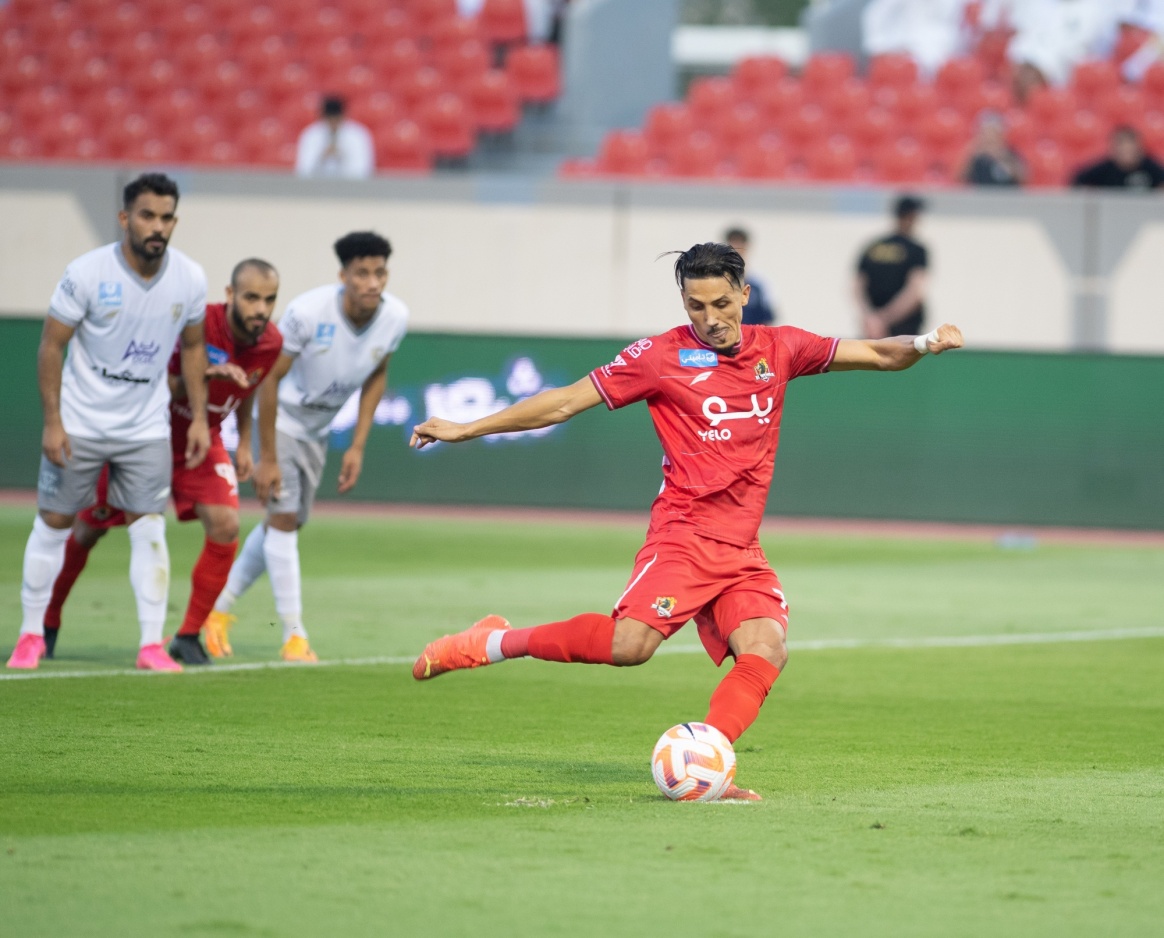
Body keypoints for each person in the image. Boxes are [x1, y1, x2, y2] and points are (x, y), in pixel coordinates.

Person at [408, 242, 964, 802]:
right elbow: (563, 403)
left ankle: (709, 763)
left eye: (721, 303)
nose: (710, 318)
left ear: (744, 295)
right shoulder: (659, 356)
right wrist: (467, 428)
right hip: (684, 536)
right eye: (696, 306)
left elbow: (880, 353)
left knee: (767, 648)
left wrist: (924, 343)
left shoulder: (782, 348)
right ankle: (492, 641)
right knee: (630, 646)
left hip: (741, 549)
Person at [6, 173, 209, 672]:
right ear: (125, 218)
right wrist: (53, 421)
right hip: (80, 423)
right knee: (54, 522)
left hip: (146, 428)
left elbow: (193, 347)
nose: (157, 226)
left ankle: (150, 645)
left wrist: (200, 418)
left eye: (166, 217)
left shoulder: (189, 278)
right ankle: (30, 635)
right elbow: (51, 345)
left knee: (149, 528)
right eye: (147, 215)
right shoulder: (87, 273)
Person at [41, 260, 285, 666]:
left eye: (269, 299)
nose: (261, 309)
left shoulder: (271, 342)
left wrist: (244, 443)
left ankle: (187, 636)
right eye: (251, 298)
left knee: (226, 525)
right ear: (229, 295)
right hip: (147, 435)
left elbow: (248, 387)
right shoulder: (198, 323)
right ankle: (47, 621)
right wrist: (205, 376)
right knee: (87, 529)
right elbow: (157, 382)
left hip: (202, 442)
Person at [205, 232, 409, 662]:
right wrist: (267, 457)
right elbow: (268, 378)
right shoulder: (308, 313)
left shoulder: (395, 317)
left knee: (286, 524)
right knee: (282, 521)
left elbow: (377, 374)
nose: (373, 282)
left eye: (380, 273)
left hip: (318, 431)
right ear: (343, 275)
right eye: (362, 273)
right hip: (280, 421)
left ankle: (216, 609)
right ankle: (294, 636)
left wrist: (357, 446)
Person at [854, 195, 930, 340]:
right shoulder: (916, 250)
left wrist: (871, 319)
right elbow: (915, 292)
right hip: (904, 326)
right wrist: (884, 319)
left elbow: (857, 287)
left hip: (874, 327)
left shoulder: (874, 246)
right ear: (910, 216)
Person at [295, 95, 375, 180]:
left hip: (350, 185)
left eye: (336, 119)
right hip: (317, 185)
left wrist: (342, 155)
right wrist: (322, 157)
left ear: (343, 116)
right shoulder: (311, 135)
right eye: (329, 119)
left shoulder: (358, 135)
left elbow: (364, 170)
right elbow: (302, 170)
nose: (333, 123)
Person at [1072, 125, 1164, 190]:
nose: (1127, 152)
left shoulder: (1151, 168)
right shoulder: (1104, 169)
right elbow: (1079, 181)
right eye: (1122, 148)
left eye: (1130, 149)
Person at [724, 227, 777, 325]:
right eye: (732, 245)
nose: (736, 249)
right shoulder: (718, 284)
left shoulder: (758, 286)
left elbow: (767, 319)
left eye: (740, 245)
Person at [961, 112, 1025, 186]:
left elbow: (1023, 176)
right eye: (987, 133)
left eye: (993, 133)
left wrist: (1001, 156)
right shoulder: (976, 156)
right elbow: (960, 177)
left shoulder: (1010, 153)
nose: (990, 137)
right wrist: (973, 151)